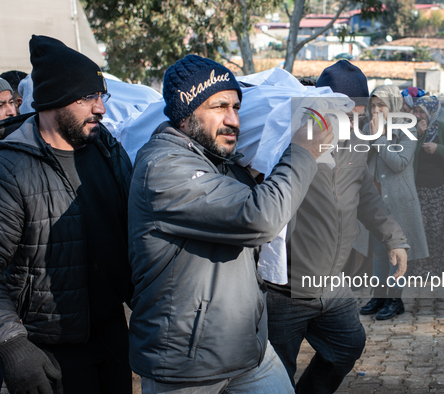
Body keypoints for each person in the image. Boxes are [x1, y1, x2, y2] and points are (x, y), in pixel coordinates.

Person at [128, 55, 333, 393]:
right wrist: (302, 150)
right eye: (219, 106)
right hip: (186, 365)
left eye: (237, 107)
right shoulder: (164, 169)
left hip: (248, 350)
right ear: (185, 114)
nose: (233, 120)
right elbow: (260, 216)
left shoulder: (218, 160)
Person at [0, 35, 133, 394]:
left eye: (101, 96)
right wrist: (12, 344)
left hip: (111, 336)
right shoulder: (10, 168)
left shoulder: (107, 149)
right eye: (87, 97)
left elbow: (133, 232)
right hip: (49, 350)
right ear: (54, 101)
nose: (100, 108)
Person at [266, 60, 409, 394]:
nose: (351, 118)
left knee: (348, 345)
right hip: (285, 288)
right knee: (276, 373)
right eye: (343, 110)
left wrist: (393, 238)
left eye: (357, 111)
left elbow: (364, 193)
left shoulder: (356, 140)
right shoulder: (290, 137)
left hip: (332, 281)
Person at [359, 85, 428, 320]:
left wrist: (378, 137)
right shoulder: (367, 126)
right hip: (374, 201)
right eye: (373, 105)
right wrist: (370, 134)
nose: (376, 110)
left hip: (398, 201)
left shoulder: (407, 128)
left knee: (395, 253)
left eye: (382, 105)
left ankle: (394, 300)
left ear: (394, 106)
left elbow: (399, 163)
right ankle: (378, 296)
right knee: (377, 252)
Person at [412, 96, 444, 279]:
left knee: (438, 231)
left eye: (422, 112)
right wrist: (417, 136)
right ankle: (419, 271)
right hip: (417, 190)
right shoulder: (411, 129)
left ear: (432, 113)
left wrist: (438, 149)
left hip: (439, 191)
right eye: (415, 111)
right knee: (419, 231)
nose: (418, 115)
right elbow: (405, 154)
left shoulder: (443, 129)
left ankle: (438, 271)